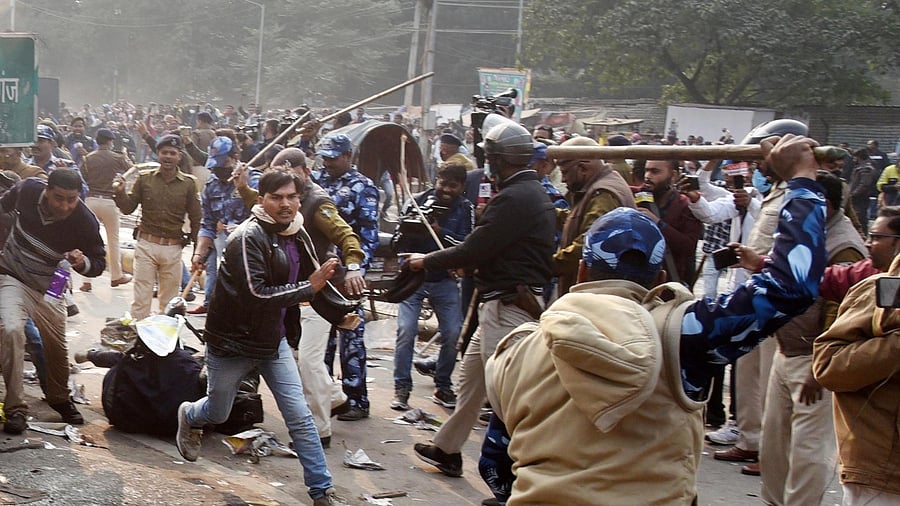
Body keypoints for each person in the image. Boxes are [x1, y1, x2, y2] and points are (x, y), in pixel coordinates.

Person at [483, 133, 827, 504]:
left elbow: (495, 466)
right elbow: (790, 287)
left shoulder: (517, 350)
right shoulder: (686, 338)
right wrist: (802, 183)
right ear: (659, 279)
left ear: (581, 271)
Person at [175, 169, 346, 506]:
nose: (286, 204)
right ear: (262, 200)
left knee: (299, 416)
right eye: (277, 197)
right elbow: (258, 294)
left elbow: (315, 280)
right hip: (232, 344)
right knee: (219, 412)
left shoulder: (298, 234)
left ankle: (321, 491)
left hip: (273, 341)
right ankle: (190, 415)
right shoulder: (246, 238)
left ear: (299, 198)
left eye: (291, 197)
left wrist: (343, 311)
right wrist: (308, 288)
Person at [405, 118, 556, 478]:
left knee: (507, 397)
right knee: (471, 383)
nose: (488, 166)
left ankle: (523, 476)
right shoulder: (530, 193)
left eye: (491, 159)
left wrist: (425, 260)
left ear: (503, 160)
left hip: (507, 308)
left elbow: (476, 247)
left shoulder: (515, 198)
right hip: (499, 302)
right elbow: (491, 249)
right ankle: (447, 450)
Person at [232, 147, 365, 448]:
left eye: (290, 190)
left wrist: (354, 264)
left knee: (309, 361)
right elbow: (260, 203)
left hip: (320, 292)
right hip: (294, 291)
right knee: (295, 355)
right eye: (278, 190)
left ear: (304, 174)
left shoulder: (318, 204)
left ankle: (319, 430)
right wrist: (243, 188)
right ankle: (334, 397)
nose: (285, 198)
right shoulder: (282, 202)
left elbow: (345, 234)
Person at [757, 171, 866, 505]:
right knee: (774, 446)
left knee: (808, 454)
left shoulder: (844, 247)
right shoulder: (810, 233)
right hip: (787, 352)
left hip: (811, 362)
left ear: (826, 206)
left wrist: (818, 368)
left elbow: (843, 315)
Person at [1, 168, 107, 434]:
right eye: (59, 198)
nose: (65, 206)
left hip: (52, 287)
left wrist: (82, 263)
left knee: (56, 347)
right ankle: (15, 409)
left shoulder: (85, 221)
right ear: (46, 190)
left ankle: (59, 398)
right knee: (11, 329)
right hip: (13, 276)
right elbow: (4, 205)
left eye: (72, 199)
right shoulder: (26, 190)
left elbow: (99, 264)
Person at [813, 214, 900, 505]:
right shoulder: (876, 291)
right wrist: (894, 346)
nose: (869, 243)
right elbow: (828, 363)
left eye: (878, 237)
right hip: (882, 472)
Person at [391, 163, 474, 411]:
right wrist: (410, 227)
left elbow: (467, 244)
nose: (446, 190)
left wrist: (441, 230)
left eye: (453, 185)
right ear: (435, 181)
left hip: (444, 280)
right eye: (442, 183)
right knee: (406, 330)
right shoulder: (417, 201)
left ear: (461, 187)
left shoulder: (465, 208)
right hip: (415, 279)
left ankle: (443, 384)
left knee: (452, 332)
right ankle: (402, 387)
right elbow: (397, 243)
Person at [313, 134, 379, 421]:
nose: (327, 162)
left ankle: (356, 399)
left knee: (351, 337)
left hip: (347, 273)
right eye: (324, 157)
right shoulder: (318, 182)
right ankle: (327, 396)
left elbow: (368, 235)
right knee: (319, 339)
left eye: (333, 157)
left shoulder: (363, 187)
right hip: (319, 271)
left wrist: (356, 270)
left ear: (348, 156)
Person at [113, 134, 202, 319]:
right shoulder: (144, 179)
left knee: (169, 302)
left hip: (173, 249)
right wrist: (120, 192)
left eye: (172, 153)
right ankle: (139, 341)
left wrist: (197, 252)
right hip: (146, 245)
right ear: (157, 154)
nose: (168, 156)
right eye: (164, 152)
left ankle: (162, 342)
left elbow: (196, 218)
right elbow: (128, 209)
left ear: (179, 156)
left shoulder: (189, 184)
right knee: (141, 298)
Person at [553, 136, 636, 295]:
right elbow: (577, 220)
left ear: (583, 168)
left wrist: (546, 266)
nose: (563, 180)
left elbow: (587, 244)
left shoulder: (603, 194)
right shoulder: (604, 184)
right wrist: (547, 213)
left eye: (565, 173)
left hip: (592, 294)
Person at [188, 136, 254, 315]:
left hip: (251, 252)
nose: (218, 170)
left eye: (223, 164)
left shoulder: (253, 179)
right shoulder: (211, 184)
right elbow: (207, 223)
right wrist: (199, 253)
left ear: (234, 157)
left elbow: (264, 213)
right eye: (215, 165)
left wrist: (244, 187)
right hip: (223, 245)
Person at [79, 128, 133, 293]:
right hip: (109, 201)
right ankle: (116, 276)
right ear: (110, 141)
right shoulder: (117, 157)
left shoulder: (88, 158)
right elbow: (132, 169)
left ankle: (86, 280)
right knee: (113, 240)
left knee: (86, 240)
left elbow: (83, 179)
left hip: (91, 200)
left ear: (97, 140)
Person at [638, 159, 703, 286]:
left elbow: (688, 247)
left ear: (673, 176)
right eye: (646, 170)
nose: (648, 176)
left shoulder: (686, 205)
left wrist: (658, 223)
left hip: (670, 285)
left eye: (655, 171)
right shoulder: (638, 196)